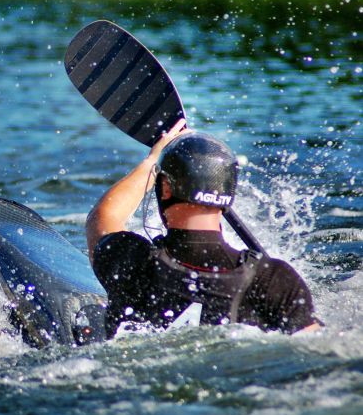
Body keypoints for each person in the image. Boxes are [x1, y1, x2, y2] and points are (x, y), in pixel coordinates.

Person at [86, 119, 320, 338]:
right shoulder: (274, 280)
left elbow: (103, 217)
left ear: (165, 189)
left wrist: (152, 162)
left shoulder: (130, 259)